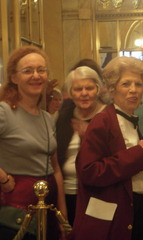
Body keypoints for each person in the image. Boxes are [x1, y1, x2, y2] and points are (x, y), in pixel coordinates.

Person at [0, 46, 67, 240]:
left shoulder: (47, 118)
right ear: (14, 78)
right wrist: (3, 178)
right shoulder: (3, 111)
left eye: (41, 70)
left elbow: (55, 168)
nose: (36, 75)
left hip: (48, 204)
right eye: (28, 71)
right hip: (18, 207)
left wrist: (62, 212)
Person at [69, 56, 143, 240]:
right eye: (126, 84)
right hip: (117, 216)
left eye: (138, 84)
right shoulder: (103, 121)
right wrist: (138, 154)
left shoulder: (131, 120)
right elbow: (88, 171)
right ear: (112, 89)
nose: (133, 90)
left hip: (140, 209)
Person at [56, 66, 106, 226]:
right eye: (78, 89)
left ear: (97, 89)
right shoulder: (64, 117)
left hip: (98, 195)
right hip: (68, 193)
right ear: (71, 93)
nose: (84, 93)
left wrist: (88, 138)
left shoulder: (108, 116)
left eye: (89, 88)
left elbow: (116, 160)